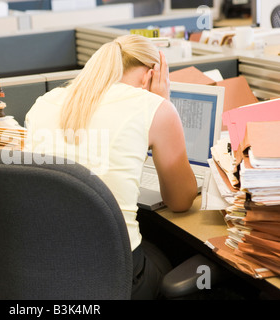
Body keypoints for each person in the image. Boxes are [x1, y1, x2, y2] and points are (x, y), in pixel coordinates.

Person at [23, 34, 197, 299]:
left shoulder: (42, 104)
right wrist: (162, 102)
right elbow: (180, 201)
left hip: (45, 269)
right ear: (152, 75)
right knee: (173, 251)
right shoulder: (155, 107)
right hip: (117, 275)